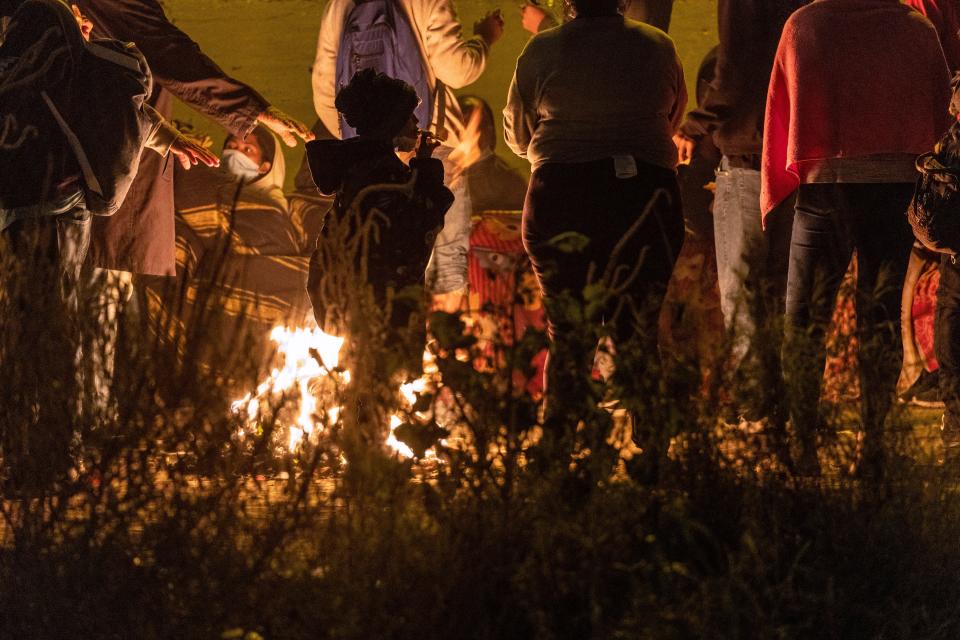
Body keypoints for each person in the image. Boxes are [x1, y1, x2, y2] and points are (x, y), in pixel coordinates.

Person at [761, 0, 952, 475]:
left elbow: (780, 111)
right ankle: (874, 446)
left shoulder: (803, 24)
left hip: (824, 188)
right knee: (881, 319)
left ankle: (802, 446)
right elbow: (940, 112)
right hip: (892, 188)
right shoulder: (914, 28)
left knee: (805, 319)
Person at [503, 0, 687, 433]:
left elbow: (516, 133)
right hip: (645, 196)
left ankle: (560, 445)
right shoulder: (658, 46)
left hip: (563, 198)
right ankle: (654, 448)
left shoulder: (541, 51)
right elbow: (671, 117)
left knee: (569, 331)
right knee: (639, 330)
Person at [58, 0, 314, 278]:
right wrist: (251, 110)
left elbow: (123, 86)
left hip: (91, 202)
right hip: (91, 201)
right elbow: (163, 56)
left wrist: (165, 135)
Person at [312, 0, 503, 308]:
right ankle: (445, 337)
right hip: (431, 141)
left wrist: (367, 140)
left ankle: (375, 337)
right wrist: (484, 39)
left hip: (368, 154)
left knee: (382, 266)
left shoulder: (340, 4)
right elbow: (457, 69)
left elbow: (325, 85)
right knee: (446, 267)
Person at [672, 0, 809, 427]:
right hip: (802, 157)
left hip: (751, 154)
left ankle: (754, 402)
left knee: (742, 288)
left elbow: (733, 77)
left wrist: (691, 127)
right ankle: (789, 401)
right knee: (788, 288)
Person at [306, 69, 454, 374]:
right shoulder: (384, 179)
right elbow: (418, 227)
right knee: (371, 395)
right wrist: (425, 170)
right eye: (409, 116)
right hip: (379, 318)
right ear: (392, 123)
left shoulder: (362, 171)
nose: (416, 123)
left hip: (357, 310)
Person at [456, 95, 529, 214]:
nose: (478, 132)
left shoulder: (509, 181)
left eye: (483, 124)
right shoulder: (440, 178)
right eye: (467, 123)